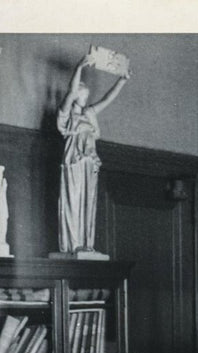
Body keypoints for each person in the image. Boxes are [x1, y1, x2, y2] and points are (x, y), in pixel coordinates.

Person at [57, 54, 129, 254]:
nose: (85, 98)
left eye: (86, 96)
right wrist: (79, 67)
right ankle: (71, 246)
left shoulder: (89, 114)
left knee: (88, 203)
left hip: (90, 161)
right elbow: (70, 93)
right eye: (83, 94)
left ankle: (86, 244)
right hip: (74, 161)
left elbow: (107, 99)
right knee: (73, 201)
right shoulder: (67, 115)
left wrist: (122, 81)